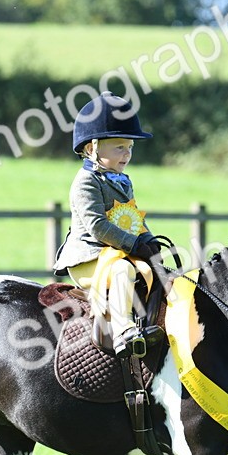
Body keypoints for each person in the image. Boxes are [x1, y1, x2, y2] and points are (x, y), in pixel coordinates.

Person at [53, 92, 160, 356]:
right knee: (124, 271)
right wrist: (134, 244)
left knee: (157, 273)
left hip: (117, 252)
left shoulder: (123, 180)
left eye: (130, 148)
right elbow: (97, 226)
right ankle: (123, 331)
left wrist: (149, 240)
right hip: (88, 257)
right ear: (92, 149)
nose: (127, 155)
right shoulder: (85, 182)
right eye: (119, 147)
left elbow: (132, 217)